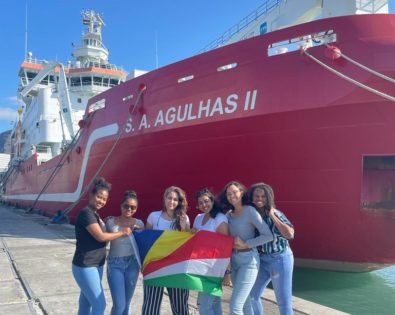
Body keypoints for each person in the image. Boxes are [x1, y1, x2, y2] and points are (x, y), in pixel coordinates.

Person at [72, 177, 132, 315]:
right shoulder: (86, 213)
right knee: (100, 304)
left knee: (85, 303)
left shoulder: (95, 215)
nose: (101, 201)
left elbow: (103, 241)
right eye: (99, 197)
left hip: (96, 265)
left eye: (104, 199)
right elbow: (101, 237)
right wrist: (123, 232)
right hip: (85, 265)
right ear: (91, 195)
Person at [219, 181, 274, 315]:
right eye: (229, 194)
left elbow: (268, 235)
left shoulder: (250, 211)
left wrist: (246, 244)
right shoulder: (228, 215)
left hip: (249, 261)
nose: (232, 196)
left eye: (235, 192)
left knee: (235, 306)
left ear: (241, 193)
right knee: (245, 304)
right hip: (235, 261)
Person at [142, 186, 191, 315]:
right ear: (164, 199)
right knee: (150, 306)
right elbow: (147, 241)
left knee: (180, 307)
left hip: (176, 267)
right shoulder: (153, 216)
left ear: (179, 202)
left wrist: (183, 227)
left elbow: (186, 243)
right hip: (155, 267)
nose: (172, 201)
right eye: (169, 198)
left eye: (175, 199)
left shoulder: (184, 218)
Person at [249, 183, 294, 315]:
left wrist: (272, 215)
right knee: (252, 295)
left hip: (279, 259)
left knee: (283, 302)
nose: (259, 199)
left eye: (263, 196)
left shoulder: (276, 214)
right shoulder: (252, 215)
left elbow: (290, 234)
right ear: (251, 198)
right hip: (262, 260)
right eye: (256, 196)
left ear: (268, 198)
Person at [106, 191, 144, 315]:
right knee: (119, 305)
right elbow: (103, 238)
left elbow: (145, 243)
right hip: (115, 264)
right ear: (121, 206)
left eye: (133, 207)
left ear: (136, 208)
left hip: (133, 265)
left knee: (127, 304)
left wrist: (140, 232)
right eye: (126, 206)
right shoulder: (110, 222)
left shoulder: (139, 224)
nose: (129, 209)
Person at [192, 188, 229, 315]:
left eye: (206, 201)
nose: (204, 205)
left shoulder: (220, 218)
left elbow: (225, 247)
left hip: (214, 268)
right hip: (201, 266)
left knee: (204, 306)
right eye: (200, 203)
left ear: (212, 200)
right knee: (214, 304)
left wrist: (227, 272)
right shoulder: (198, 218)